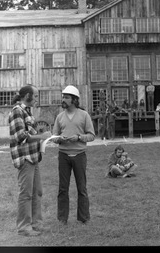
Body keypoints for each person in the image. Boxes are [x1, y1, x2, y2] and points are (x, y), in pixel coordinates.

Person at [8, 85, 52, 237]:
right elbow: (20, 136)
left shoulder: (27, 112)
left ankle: (36, 225)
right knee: (26, 194)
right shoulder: (16, 112)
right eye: (36, 96)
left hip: (34, 157)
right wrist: (41, 137)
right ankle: (24, 227)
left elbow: (31, 134)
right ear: (27, 96)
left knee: (37, 192)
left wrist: (45, 138)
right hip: (25, 158)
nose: (37, 99)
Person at [52, 85, 95, 227]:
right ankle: (62, 218)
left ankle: (83, 218)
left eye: (66, 97)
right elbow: (54, 137)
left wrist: (79, 138)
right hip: (63, 156)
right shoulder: (59, 117)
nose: (63, 99)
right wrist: (60, 139)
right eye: (63, 96)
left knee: (81, 188)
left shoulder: (84, 115)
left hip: (79, 156)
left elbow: (91, 136)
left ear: (74, 100)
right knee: (62, 189)